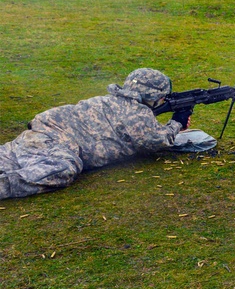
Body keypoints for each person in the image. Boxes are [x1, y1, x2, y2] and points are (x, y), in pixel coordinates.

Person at [0, 68, 188, 199]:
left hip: (38, 134)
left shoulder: (112, 100)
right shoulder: (138, 114)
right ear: (153, 96)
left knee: (11, 156)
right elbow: (156, 141)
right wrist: (176, 123)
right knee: (63, 169)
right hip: (57, 146)